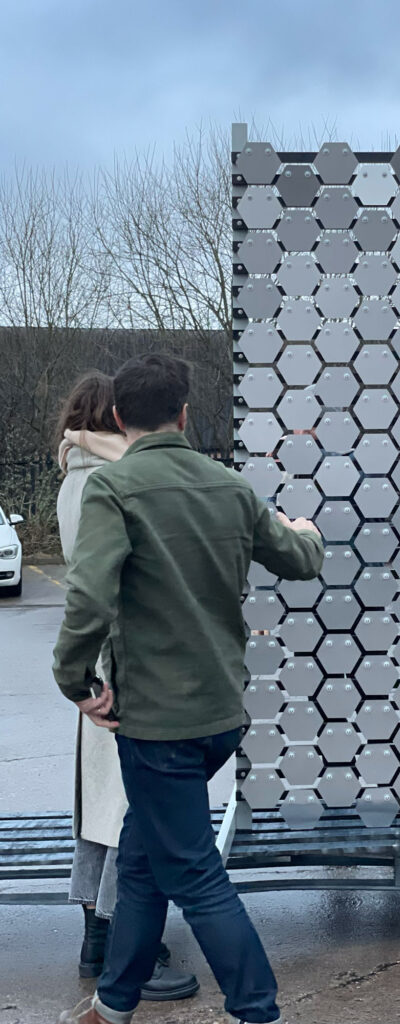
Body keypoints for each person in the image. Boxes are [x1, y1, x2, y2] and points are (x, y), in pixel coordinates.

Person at [55, 353, 324, 1024]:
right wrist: (308, 533)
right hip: (216, 719)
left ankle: (258, 1010)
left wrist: (75, 680)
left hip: (156, 725)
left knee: (197, 879)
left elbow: (88, 596)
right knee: (142, 863)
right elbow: (298, 561)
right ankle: (113, 1004)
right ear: (183, 414)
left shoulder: (113, 490)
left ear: (118, 417)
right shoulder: (230, 487)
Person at [55, 372, 197, 1003]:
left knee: (100, 804)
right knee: (129, 809)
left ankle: (95, 932)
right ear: (117, 420)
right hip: (125, 661)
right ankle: (125, 944)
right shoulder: (111, 482)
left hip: (95, 663)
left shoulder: (74, 477)